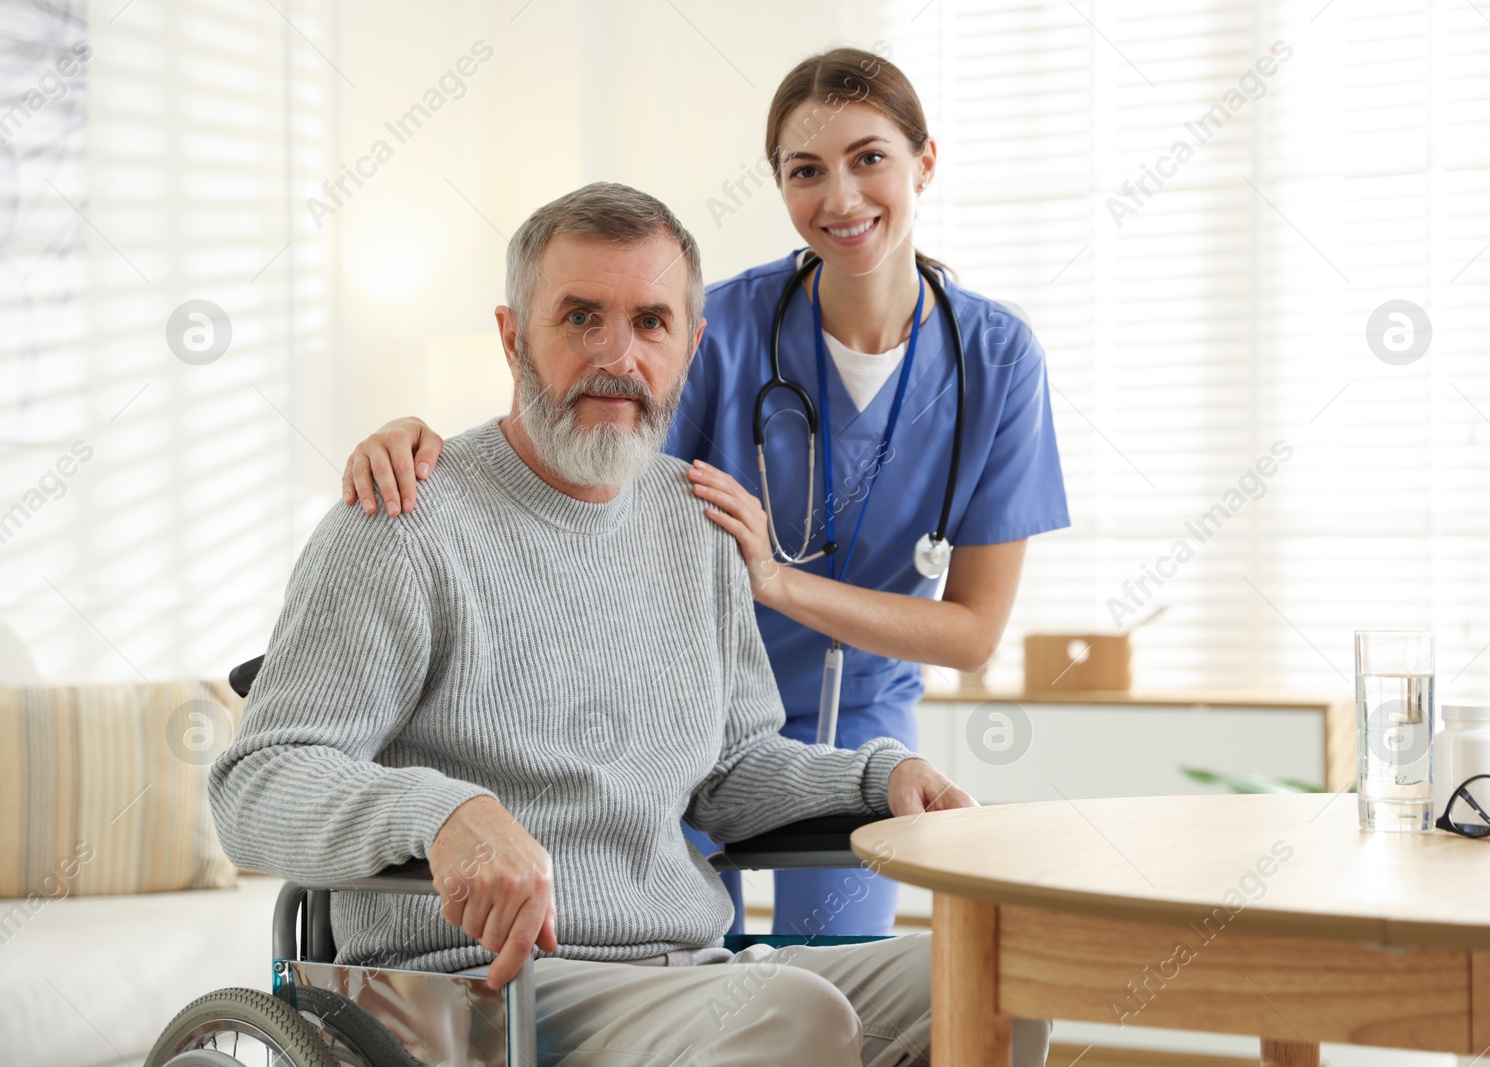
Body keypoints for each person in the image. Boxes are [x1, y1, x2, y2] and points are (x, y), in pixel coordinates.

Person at [209, 182, 1052, 1065]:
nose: (617, 355)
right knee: (797, 1018)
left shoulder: (698, 526)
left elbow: (731, 772)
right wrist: (441, 810)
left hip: (679, 969)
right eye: (580, 317)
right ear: (511, 338)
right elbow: (254, 785)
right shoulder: (403, 521)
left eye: (650, 322)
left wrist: (880, 779)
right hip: (477, 989)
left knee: (993, 977)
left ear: (690, 344)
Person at [337, 47, 1071, 939]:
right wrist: (427, 444)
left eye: (869, 157)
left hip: (862, 710)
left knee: (846, 957)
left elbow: (974, 632)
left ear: (925, 161)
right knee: (663, 929)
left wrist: (778, 580)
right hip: (681, 701)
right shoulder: (710, 328)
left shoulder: (994, 357)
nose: (840, 198)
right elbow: (590, 463)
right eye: (806, 170)